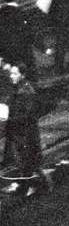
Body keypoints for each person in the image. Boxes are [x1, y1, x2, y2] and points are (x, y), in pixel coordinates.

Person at [1, 63, 46, 197]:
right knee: (25, 161)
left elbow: (27, 115)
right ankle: (30, 185)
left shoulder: (26, 91)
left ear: (23, 75)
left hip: (26, 133)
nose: (12, 76)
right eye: (11, 74)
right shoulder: (17, 89)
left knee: (28, 161)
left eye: (15, 74)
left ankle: (33, 186)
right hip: (18, 133)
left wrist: (7, 118)